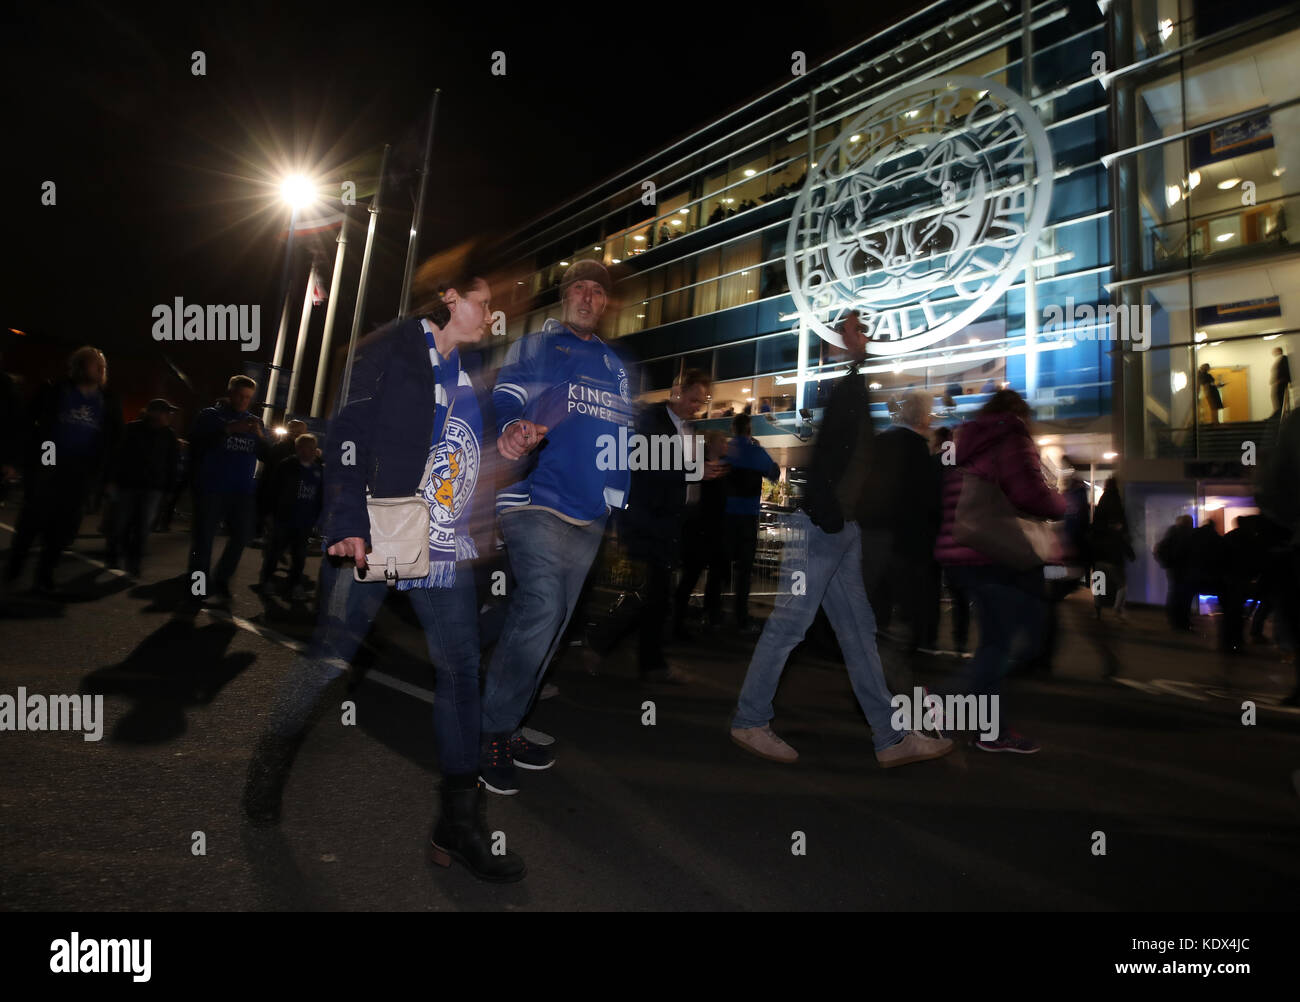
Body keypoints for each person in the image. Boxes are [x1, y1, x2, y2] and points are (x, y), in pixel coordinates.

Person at [243, 266, 525, 881]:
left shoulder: (469, 377)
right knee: (331, 656)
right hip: (377, 528)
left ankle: (458, 824)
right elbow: (347, 430)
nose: (492, 315)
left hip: (442, 542)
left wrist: (509, 450)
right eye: (483, 303)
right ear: (451, 297)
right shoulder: (392, 347)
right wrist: (346, 517)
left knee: (460, 672)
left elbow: (461, 453)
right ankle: (268, 766)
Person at [728, 313, 953, 768]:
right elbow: (828, 456)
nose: (864, 338)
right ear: (840, 344)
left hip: (840, 529)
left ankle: (890, 737)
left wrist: (842, 520)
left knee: (858, 633)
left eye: (864, 332)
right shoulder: (847, 389)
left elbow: (844, 458)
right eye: (856, 332)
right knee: (791, 625)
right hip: (824, 528)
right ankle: (750, 719)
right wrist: (828, 515)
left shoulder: (853, 390)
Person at [479, 260, 635, 796]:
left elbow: (621, 432)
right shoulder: (538, 345)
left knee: (553, 626)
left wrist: (616, 501)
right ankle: (492, 732)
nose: (588, 298)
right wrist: (512, 428)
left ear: (605, 303)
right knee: (541, 604)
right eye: (579, 289)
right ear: (565, 297)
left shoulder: (615, 365)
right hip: (534, 500)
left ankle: (510, 718)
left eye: (597, 291)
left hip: (588, 516)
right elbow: (509, 393)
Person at [934, 389, 1065, 754]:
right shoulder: (1011, 438)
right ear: (1018, 413)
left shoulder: (966, 442)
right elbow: (1029, 494)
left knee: (996, 644)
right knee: (1025, 640)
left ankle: (991, 730)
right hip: (1000, 557)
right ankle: (940, 701)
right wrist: (1060, 501)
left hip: (964, 555)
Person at [621, 368, 715, 680]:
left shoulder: (689, 430)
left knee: (658, 595)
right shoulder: (653, 420)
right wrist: (694, 472)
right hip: (652, 520)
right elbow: (648, 464)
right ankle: (649, 662)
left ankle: (609, 644)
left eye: (701, 402)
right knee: (657, 594)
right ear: (678, 393)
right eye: (693, 399)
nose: (696, 407)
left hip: (679, 522)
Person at [5, 346, 122, 593]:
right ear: (79, 366)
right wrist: (15, 460)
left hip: (81, 470)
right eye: (94, 363)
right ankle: (14, 568)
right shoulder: (54, 390)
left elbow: (114, 442)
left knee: (63, 525)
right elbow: (24, 425)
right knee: (33, 518)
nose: (101, 369)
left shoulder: (108, 401)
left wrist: (110, 477)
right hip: (48, 463)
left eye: (103, 365)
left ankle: (45, 575)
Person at [858, 388, 940, 681]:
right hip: (902, 543)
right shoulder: (917, 448)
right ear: (921, 416)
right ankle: (884, 684)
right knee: (903, 614)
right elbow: (923, 503)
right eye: (929, 414)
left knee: (876, 609)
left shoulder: (880, 442)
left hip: (871, 538)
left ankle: (869, 674)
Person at [187, 375, 271, 606]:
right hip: (212, 487)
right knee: (203, 539)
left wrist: (260, 437)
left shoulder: (254, 421)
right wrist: (229, 429)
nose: (243, 401)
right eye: (240, 395)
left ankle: (222, 579)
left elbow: (267, 455)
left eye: (248, 398)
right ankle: (197, 586)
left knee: (242, 536)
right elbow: (198, 443)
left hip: (242, 492)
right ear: (230, 392)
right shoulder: (210, 416)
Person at [106, 398, 180, 578]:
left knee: (143, 527)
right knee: (121, 523)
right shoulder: (132, 429)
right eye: (165, 412)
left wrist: (170, 490)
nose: (168, 416)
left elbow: (172, 463)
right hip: (128, 484)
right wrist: (111, 480)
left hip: (154, 488)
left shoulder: (169, 435)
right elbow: (117, 455)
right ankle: (115, 555)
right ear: (153, 412)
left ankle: (134, 562)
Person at [724, 411, 781, 633]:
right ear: (749, 429)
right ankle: (740, 617)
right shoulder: (756, 452)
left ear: (732, 429)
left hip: (725, 516)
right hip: (747, 517)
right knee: (745, 571)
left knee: (720, 566)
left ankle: (713, 613)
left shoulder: (727, 450)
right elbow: (774, 474)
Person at [673, 430, 730, 637]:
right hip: (699, 530)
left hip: (713, 530)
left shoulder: (723, 467)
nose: (726, 444)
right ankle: (678, 622)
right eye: (722, 440)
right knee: (692, 575)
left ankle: (709, 615)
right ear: (712, 444)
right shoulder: (704, 467)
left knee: (714, 573)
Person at [256, 432, 323, 600]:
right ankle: (267, 581)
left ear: (315, 450)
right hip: (284, 518)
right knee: (275, 551)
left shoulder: (318, 470)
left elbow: (320, 496)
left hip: (305, 521)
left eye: (310, 449)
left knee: (299, 556)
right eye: (302, 448)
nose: (306, 452)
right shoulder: (287, 466)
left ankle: (295, 584)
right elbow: (273, 490)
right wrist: (269, 514)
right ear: (297, 449)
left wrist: (318, 518)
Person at [1089, 476, 1134, 622]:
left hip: (1099, 554)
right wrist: (1129, 552)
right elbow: (1122, 533)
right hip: (1114, 555)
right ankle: (1117, 609)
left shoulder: (1101, 504)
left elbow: (1095, 528)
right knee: (1121, 584)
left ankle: (1097, 612)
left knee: (1099, 585)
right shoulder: (1117, 503)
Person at [256, 419, 307, 543]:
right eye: (294, 431)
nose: (296, 434)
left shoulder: (301, 450)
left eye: (299, 432)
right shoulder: (281, 448)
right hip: (278, 495)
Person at [1154, 515, 1195, 631]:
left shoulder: (1172, 532)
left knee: (1175, 593)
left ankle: (1175, 620)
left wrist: (1167, 563)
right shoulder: (1189, 534)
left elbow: (1159, 549)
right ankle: (1181, 621)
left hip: (1174, 569)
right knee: (1183, 596)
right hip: (1184, 569)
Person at [1271, 346, 1292, 418]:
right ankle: (1277, 412)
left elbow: (1286, 371)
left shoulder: (1284, 359)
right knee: (1275, 396)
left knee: (1280, 397)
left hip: (1281, 383)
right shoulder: (1279, 359)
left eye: (1274, 351)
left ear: (1279, 351)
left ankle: (1279, 413)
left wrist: (1281, 380)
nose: (1273, 353)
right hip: (1278, 383)